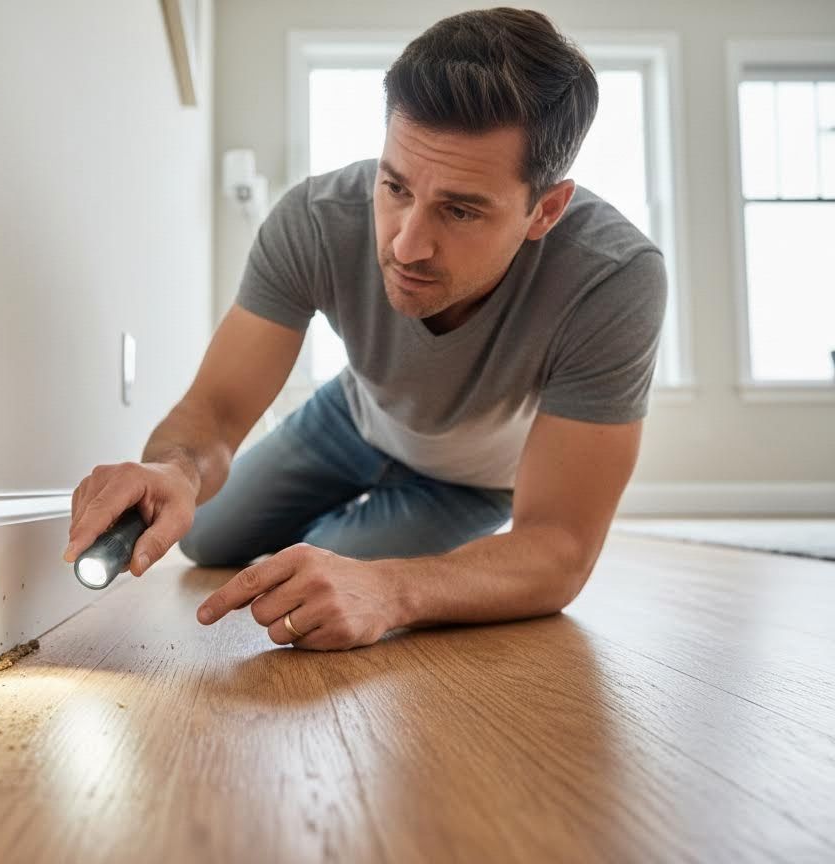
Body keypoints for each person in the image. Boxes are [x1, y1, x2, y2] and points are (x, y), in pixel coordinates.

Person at [64, 7, 667, 651]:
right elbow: (215, 410)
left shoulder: (613, 279)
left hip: (470, 481)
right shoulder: (316, 221)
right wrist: (174, 470)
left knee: (319, 570)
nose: (407, 246)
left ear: (544, 210)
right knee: (207, 534)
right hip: (353, 417)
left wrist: (389, 589)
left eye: (459, 210)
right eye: (396, 187)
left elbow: (561, 546)